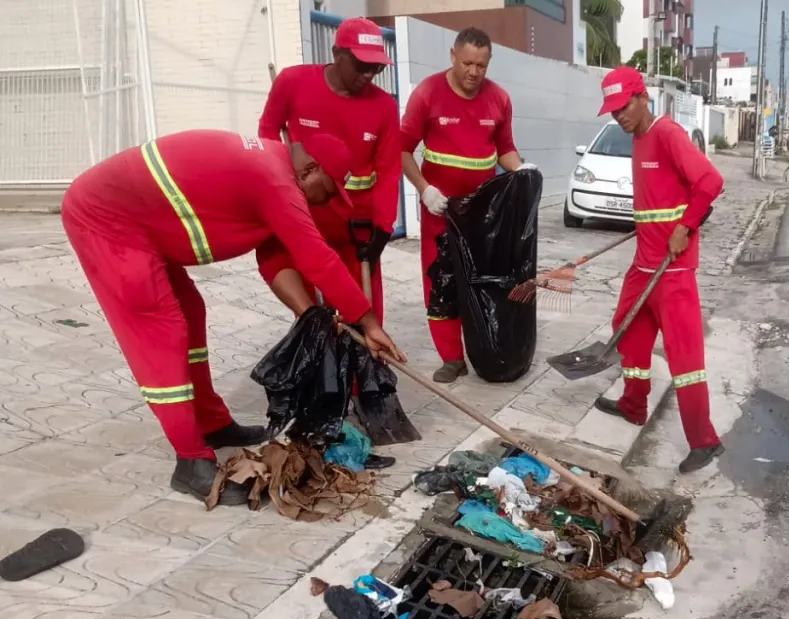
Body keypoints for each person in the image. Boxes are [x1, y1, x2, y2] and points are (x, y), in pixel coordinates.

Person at [61, 130, 407, 506]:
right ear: (309, 169)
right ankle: (191, 463)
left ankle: (212, 424)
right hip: (106, 221)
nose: (327, 199)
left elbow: (274, 258)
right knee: (161, 331)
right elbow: (317, 259)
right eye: (329, 188)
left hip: (137, 219)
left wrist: (314, 316)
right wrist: (369, 324)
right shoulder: (274, 182)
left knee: (190, 311)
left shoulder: (274, 171)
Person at [592, 66, 724, 474]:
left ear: (643, 98)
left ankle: (705, 441)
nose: (619, 116)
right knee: (627, 331)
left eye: (624, 106)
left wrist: (685, 227)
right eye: (613, 111)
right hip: (643, 266)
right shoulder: (638, 139)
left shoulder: (668, 135)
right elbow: (658, 197)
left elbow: (710, 181)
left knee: (685, 360)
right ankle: (634, 404)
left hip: (673, 272)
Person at [400, 26, 534, 383]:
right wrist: (424, 189)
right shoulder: (427, 94)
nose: (474, 72)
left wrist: (522, 170)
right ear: (453, 56)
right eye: (468, 63)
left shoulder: (500, 99)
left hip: (482, 215)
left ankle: (484, 347)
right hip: (440, 212)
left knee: (480, 282)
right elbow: (401, 149)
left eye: (482, 65)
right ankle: (451, 358)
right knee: (440, 282)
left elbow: (504, 148)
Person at [256, 17, 400, 324]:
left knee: (363, 313)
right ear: (337, 53)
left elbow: (389, 171)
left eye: (377, 68)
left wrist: (384, 228)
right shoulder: (293, 83)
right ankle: (321, 369)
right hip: (304, 219)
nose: (369, 75)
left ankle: (364, 369)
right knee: (315, 316)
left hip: (357, 228)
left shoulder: (384, 106)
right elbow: (267, 136)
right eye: (362, 65)